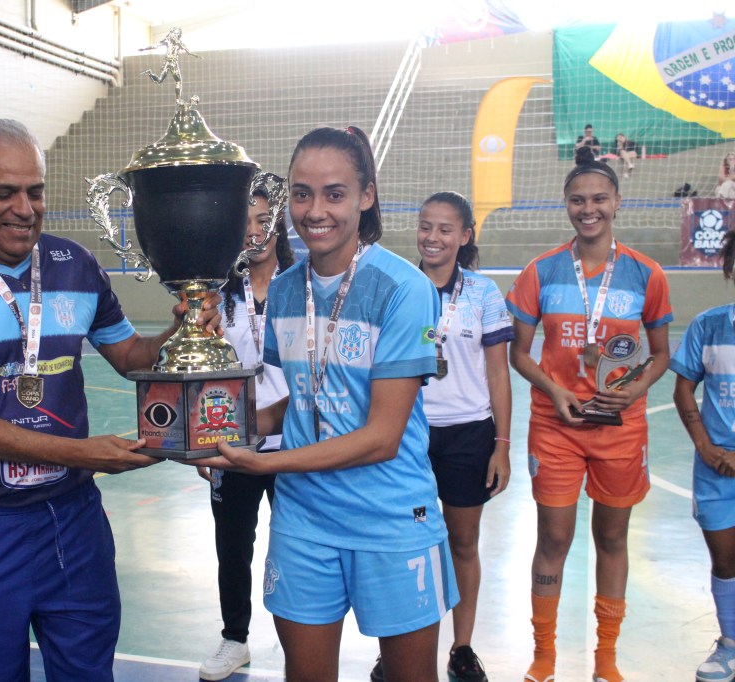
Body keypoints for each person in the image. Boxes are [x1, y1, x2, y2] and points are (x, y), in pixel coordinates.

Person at [0, 118, 222, 681]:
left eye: (35, 191)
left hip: (74, 523)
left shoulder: (75, 264)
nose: (25, 207)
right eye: (4, 193)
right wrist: (82, 453)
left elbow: (131, 357)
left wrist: (183, 330)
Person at [192, 126, 457, 682]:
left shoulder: (404, 290)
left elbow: (382, 436)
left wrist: (264, 461)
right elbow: (303, 401)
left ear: (366, 196)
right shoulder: (286, 290)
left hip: (389, 520)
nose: (315, 210)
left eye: (334, 194)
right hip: (305, 522)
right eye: (302, 193)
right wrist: (218, 433)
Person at [506, 146, 672, 682]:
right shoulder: (542, 271)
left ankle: (606, 657)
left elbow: (662, 353)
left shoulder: (647, 275)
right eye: (578, 199)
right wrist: (555, 392)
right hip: (558, 425)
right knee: (553, 539)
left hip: (621, 428)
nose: (588, 208)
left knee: (613, 538)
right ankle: (544, 654)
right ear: (567, 206)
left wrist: (636, 388)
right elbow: (519, 353)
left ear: (617, 203)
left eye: (599, 198)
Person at [371, 191, 512, 682]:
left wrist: (502, 445)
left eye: (445, 229)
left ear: (465, 236)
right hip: (404, 432)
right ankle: (400, 647)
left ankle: (462, 647)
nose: (433, 237)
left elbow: (498, 375)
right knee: (404, 544)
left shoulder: (484, 293)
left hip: (469, 435)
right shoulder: (397, 286)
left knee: (462, 543)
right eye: (425, 226)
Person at [196, 187, 294, 681]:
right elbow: (203, 374)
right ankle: (235, 639)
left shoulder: (301, 287)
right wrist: (201, 442)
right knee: (232, 546)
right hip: (232, 445)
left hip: (292, 445)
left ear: (278, 226)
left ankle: (302, 636)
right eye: (245, 223)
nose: (254, 232)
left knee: (296, 546)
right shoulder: (217, 296)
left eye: (262, 221)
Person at [671, 229, 735, 682]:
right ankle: (730, 643)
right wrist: (704, 445)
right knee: (726, 561)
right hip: (716, 469)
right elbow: (683, 388)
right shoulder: (709, 326)